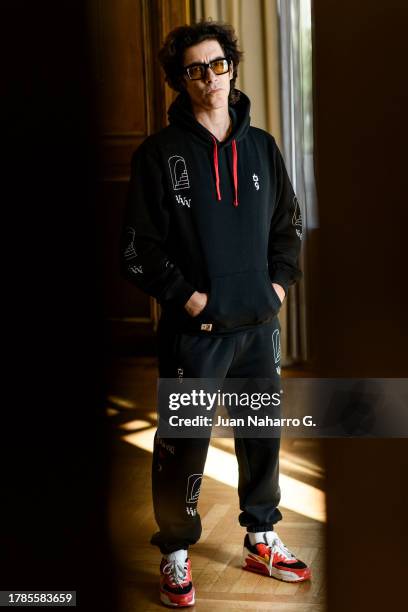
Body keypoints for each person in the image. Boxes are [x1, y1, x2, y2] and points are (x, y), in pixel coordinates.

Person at [121, 20, 310, 608]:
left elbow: (289, 227)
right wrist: (191, 297)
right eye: (195, 69)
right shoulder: (157, 154)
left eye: (218, 63)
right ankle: (176, 552)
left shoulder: (263, 147)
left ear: (233, 64)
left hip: (258, 325)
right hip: (195, 331)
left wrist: (275, 287)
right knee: (184, 441)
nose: (210, 78)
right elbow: (136, 249)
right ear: (180, 80)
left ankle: (261, 535)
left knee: (262, 434)